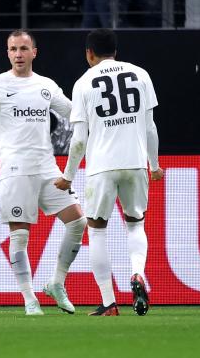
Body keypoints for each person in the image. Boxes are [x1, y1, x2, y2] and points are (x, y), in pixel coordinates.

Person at [0, 30, 87, 315]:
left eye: (24, 48)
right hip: (15, 169)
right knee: (20, 236)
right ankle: (29, 298)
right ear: (7, 52)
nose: (18, 54)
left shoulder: (45, 85)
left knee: (78, 222)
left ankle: (56, 283)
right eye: (13, 49)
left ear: (34, 52)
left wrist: (97, 109)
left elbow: (75, 114)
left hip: (47, 168)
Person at [54, 28, 163, 316]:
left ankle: (108, 302)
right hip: (136, 162)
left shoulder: (83, 83)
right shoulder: (141, 74)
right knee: (136, 224)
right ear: (116, 50)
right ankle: (138, 273)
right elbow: (151, 127)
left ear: (89, 53)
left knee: (97, 231)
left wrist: (67, 175)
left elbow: (78, 139)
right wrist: (155, 164)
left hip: (102, 166)